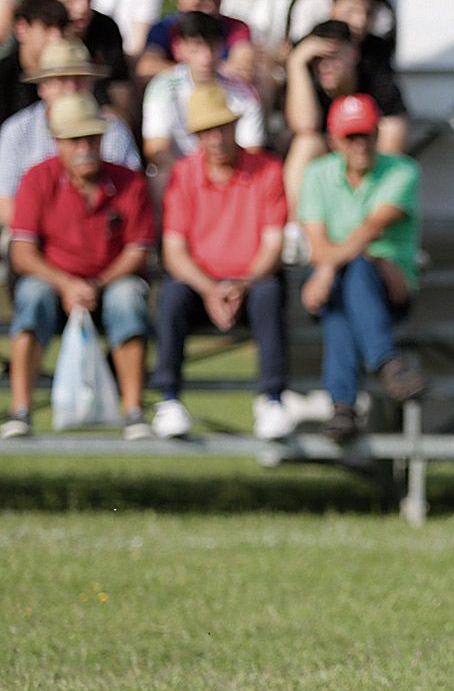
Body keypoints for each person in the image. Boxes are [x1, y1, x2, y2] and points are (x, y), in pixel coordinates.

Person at [3, 93, 155, 440]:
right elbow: (22, 251)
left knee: (128, 298)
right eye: (74, 139)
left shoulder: (129, 182)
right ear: (58, 142)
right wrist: (66, 284)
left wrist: (96, 284)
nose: (84, 147)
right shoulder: (37, 179)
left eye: (91, 137)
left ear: (103, 139)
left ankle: (133, 410)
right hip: (54, 283)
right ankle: (21, 409)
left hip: (109, 281)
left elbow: (137, 250)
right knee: (31, 296)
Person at [150, 84, 292, 441]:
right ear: (197, 136)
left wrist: (240, 285)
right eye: (206, 130)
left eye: (222, 127)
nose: (215, 137)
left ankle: (272, 398)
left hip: (251, 283)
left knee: (268, 293)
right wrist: (210, 289)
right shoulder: (184, 173)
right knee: (171, 296)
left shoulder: (268, 170)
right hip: (201, 285)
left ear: (234, 127)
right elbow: (174, 250)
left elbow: (273, 245)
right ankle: (168, 399)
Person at [297, 94, 427, 440]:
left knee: (354, 272)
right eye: (350, 136)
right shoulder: (316, 174)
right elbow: (317, 245)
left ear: (376, 135)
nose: (360, 144)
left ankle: (343, 405)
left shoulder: (403, 170)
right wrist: (329, 268)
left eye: (366, 135)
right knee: (344, 291)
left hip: (387, 285)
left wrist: (325, 271)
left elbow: (371, 229)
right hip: (342, 285)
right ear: (334, 140)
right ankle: (387, 366)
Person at [0, 41, 140, 231]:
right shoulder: (16, 131)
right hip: (34, 238)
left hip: (105, 236)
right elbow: (6, 205)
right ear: (42, 87)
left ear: (91, 85)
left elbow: (130, 195)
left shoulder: (114, 130)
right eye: (61, 79)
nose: (71, 87)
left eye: (80, 79)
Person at [284, 16, 406, 204]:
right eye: (316, 59)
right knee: (307, 143)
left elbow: (392, 144)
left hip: (370, 163)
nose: (325, 66)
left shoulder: (378, 82)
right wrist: (295, 63)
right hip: (326, 166)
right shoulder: (306, 84)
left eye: (333, 56)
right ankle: (299, 228)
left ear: (353, 53)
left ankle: (374, 208)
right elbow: (305, 126)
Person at [142, 12, 266, 179]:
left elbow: (252, 149)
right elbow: (156, 149)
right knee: (159, 176)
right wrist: (191, 183)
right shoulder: (161, 88)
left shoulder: (243, 92)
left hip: (231, 176)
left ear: (222, 47)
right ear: (179, 49)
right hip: (180, 176)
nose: (206, 58)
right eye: (196, 48)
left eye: (212, 47)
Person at [135, 0, 256, 85]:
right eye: (201, 0)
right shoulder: (164, 28)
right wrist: (194, 73)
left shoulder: (237, 28)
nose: (209, 8)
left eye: (215, 0)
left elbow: (243, 70)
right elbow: (146, 68)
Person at [49, 0, 131, 112]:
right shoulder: (43, 29)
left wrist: (123, 120)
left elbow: (119, 85)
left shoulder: (107, 28)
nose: (83, 7)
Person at [1, 0, 68, 125]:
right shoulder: (4, 78)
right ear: (22, 28)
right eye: (47, 28)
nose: (57, 38)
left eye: (62, 29)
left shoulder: (74, 76)